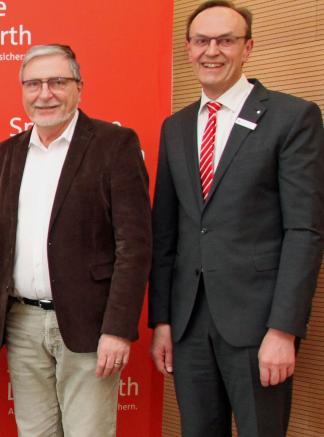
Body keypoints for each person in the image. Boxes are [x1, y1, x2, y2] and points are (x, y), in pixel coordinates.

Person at [149, 2, 324, 436]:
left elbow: (304, 231)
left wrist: (283, 329)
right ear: (188, 48)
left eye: (225, 40)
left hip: (258, 326)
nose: (212, 51)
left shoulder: (292, 117)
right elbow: (166, 233)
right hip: (188, 325)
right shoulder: (175, 127)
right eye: (201, 41)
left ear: (247, 48)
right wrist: (163, 322)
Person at [0, 44, 152, 436]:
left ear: (79, 88)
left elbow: (135, 247)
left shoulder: (114, 145)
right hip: (22, 323)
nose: (45, 94)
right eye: (33, 84)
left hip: (90, 326)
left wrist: (118, 329)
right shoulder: (6, 154)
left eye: (57, 82)